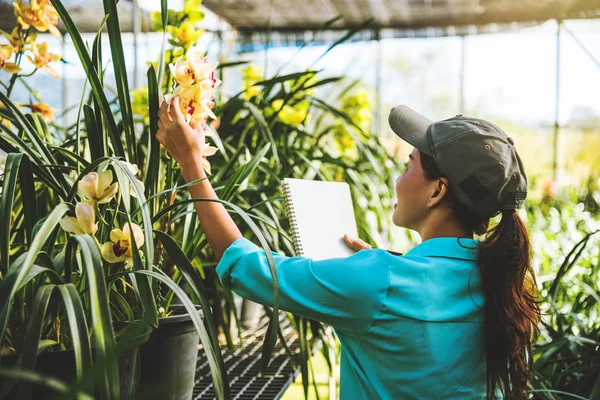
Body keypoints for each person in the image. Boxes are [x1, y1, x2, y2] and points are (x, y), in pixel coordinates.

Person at [156, 98, 541, 399]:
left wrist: (191, 163)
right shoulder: (505, 291)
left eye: (408, 165)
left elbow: (244, 265)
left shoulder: (380, 283)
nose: (397, 178)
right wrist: (383, 267)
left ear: (437, 191)